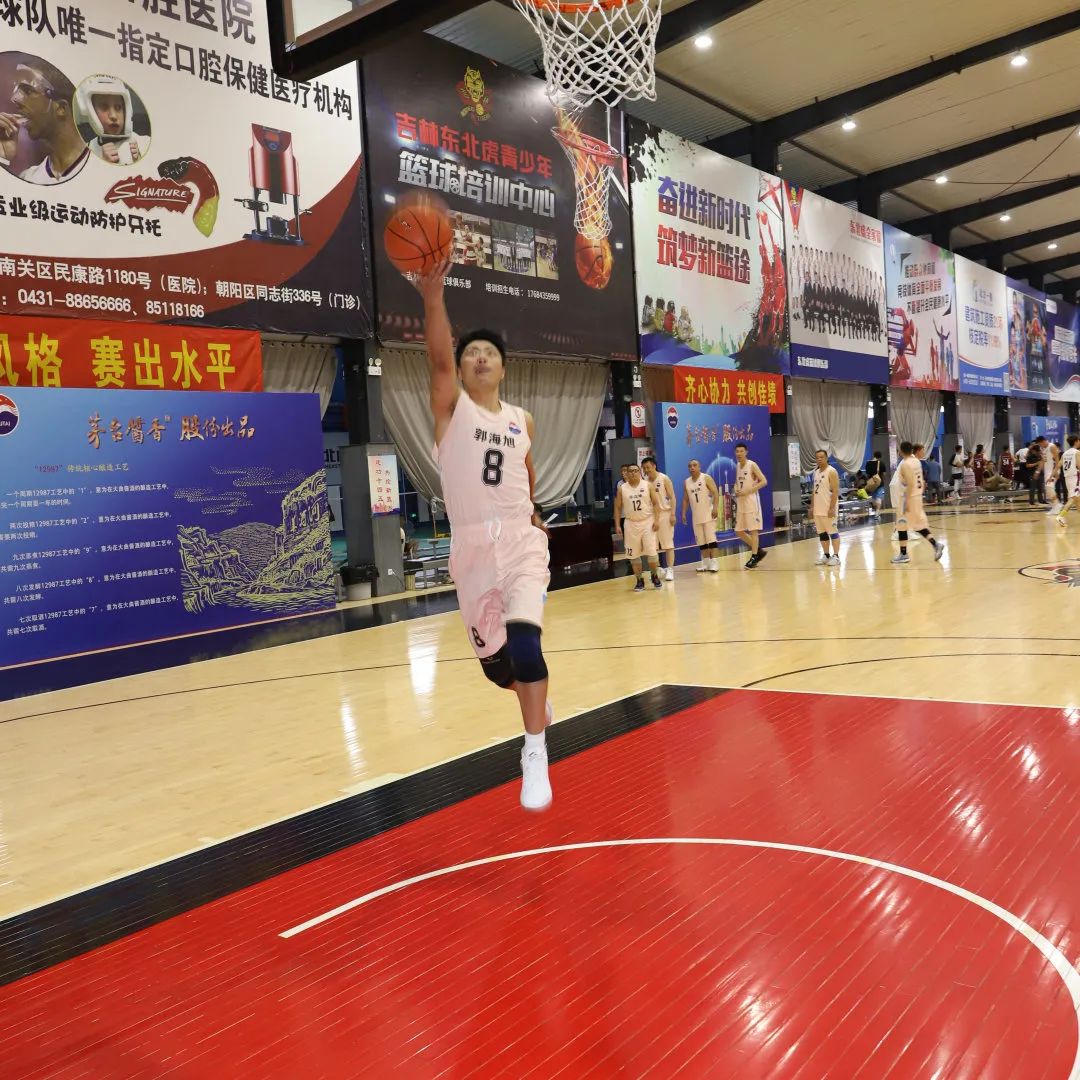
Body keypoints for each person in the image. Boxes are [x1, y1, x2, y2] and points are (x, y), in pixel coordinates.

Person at [417, 256, 554, 812]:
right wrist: (433, 296)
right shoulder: (452, 412)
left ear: (503, 369)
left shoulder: (523, 420)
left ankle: (534, 752)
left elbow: (526, 471)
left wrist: (534, 512)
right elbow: (437, 361)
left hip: (520, 542)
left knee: (527, 645)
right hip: (472, 548)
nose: (479, 357)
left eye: (489, 353)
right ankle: (533, 701)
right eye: (470, 352)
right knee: (500, 671)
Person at [0, 58, 88, 184]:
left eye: (28, 91)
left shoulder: (103, 164)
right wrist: (2, 158)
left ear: (61, 108)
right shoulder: (28, 177)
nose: (15, 99)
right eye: (17, 90)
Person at [892, 442, 946, 565]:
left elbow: (910, 484)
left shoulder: (905, 464)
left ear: (901, 451)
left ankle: (903, 554)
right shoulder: (916, 461)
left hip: (909, 498)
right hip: (917, 497)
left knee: (901, 525)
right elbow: (921, 480)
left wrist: (906, 502)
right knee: (919, 525)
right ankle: (936, 544)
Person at [76, 76, 148, 165]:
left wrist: (141, 160)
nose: (113, 116)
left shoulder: (145, 143)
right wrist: (104, 163)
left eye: (118, 107)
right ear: (91, 111)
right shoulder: (85, 153)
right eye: (104, 107)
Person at [614, 463, 663, 592]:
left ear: (640, 472)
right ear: (627, 473)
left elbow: (656, 504)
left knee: (652, 553)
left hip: (647, 522)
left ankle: (654, 576)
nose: (633, 473)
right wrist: (617, 524)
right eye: (630, 471)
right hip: (630, 523)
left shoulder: (648, 485)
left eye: (635, 470)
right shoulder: (622, 488)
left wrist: (657, 520)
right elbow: (617, 507)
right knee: (633, 554)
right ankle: (639, 580)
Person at [681, 459, 719, 572]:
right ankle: (706, 564)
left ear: (699, 467)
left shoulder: (705, 477)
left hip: (708, 514)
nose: (692, 467)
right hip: (696, 516)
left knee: (711, 540)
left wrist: (715, 508)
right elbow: (685, 499)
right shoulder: (687, 482)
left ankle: (715, 563)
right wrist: (683, 513)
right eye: (690, 466)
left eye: (694, 465)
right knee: (701, 542)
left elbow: (715, 492)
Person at [641, 456, 676, 581]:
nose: (646, 470)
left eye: (648, 467)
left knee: (668, 544)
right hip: (651, 516)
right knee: (652, 546)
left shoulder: (664, 478)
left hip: (664, 514)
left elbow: (672, 497)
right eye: (644, 468)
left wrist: (673, 514)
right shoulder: (644, 482)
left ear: (654, 466)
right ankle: (659, 569)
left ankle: (670, 569)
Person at [734, 442, 768, 568]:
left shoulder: (752, 465)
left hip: (752, 502)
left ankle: (754, 557)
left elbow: (764, 481)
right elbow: (737, 482)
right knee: (738, 531)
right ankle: (758, 551)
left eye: (741, 451)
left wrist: (749, 491)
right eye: (737, 451)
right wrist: (736, 488)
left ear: (746, 452)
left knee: (753, 530)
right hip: (741, 502)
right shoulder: (738, 466)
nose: (739, 453)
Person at [811, 449, 840, 565]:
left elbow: (835, 491)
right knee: (822, 533)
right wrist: (812, 507)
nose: (819, 459)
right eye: (817, 457)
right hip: (818, 509)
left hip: (828, 508)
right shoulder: (816, 472)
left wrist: (832, 508)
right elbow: (814, 491)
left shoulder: (831, 471)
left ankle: (836, 556)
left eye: (821, 457)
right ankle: (826, 555)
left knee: (833, 532)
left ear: (827, 458)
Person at [1053, 434, 1080, 527]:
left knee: (1077, 499)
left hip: (1067, 478)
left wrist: (1052, 475)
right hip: (1075, 478)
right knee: (1073, 498)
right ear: (1076, 441)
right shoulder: (1077, 452)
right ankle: (1060, 516)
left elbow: (1058, 465)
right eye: (1079, 440)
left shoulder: (1065, 453)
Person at [1026, 440, 1044, 505]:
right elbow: (1027, 465)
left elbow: (1042, 463)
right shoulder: (1029, 456)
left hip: (1040, 474)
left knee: (1040, 488)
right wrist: (1036, 463)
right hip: (1032, 474)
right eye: (1037, 451)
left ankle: (1041, 500)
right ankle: (1032, 501)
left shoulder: (1040, 456)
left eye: (1039, 451)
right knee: (1032, 488)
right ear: (1033, 451)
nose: (1038, 452)